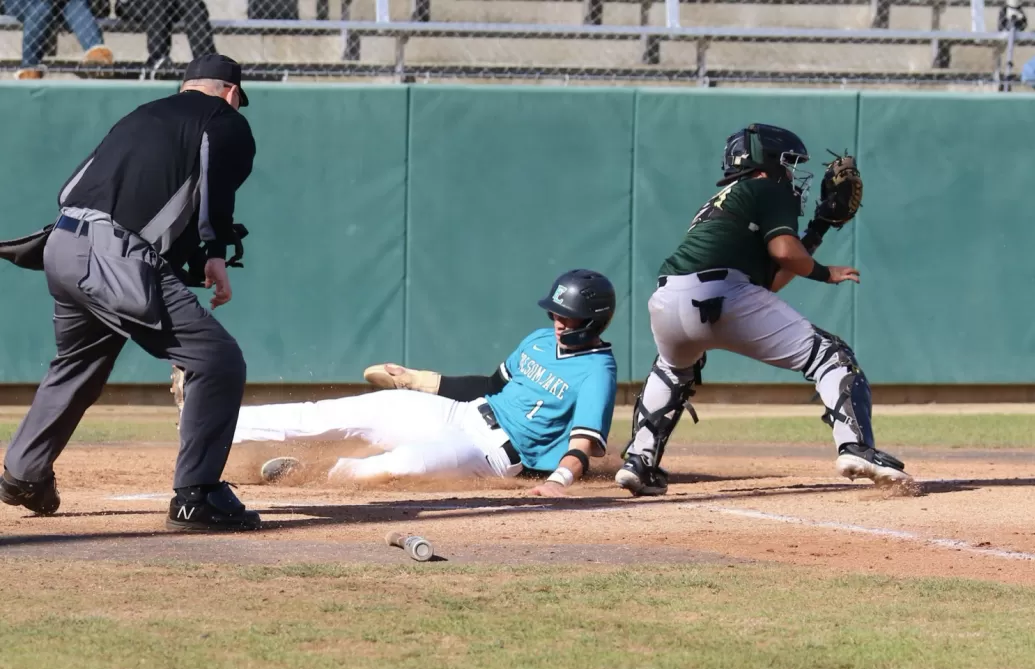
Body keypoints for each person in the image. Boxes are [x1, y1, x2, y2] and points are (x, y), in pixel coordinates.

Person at [0, 54, 259, 532]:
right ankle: (195, 496)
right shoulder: (224, 119)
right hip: (112, 255)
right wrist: (215, 251)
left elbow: (76, 186)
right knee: (217, 359)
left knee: (79, 363)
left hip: (62, 244)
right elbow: (214, 187)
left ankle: (23, 473)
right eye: (238, 99)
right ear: (228, 92)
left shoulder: (141, 115)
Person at [615, 123, 913, 497]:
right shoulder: (769, 188)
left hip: (668, 300)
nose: (792, 173)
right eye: (787, 163)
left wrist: (818, 227)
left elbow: (767, 283)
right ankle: (856, 447)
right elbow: (785, 253)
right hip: (723, 294)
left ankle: (639, 461)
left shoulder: (722, 200)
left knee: (673, 370)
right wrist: (825, 273)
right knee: (833, 357)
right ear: (766, 161)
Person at [231, 270, 619, 498]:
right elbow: (489, 384)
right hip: (460, 414)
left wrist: (560, 479)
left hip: (491, 454)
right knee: (335, 413)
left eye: (567, 316)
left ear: (592, 321)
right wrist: (417, 380)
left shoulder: (598, 371)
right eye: (555, 312)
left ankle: (318, 473)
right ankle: (216, 421)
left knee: (404, 464)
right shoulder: (538, 340)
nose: (557, 321)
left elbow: (582, 443)